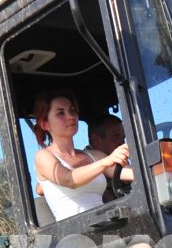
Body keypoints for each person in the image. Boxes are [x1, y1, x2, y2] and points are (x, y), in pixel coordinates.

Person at [32, 92, 129, 220]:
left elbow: (127, 173)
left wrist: (159, 162)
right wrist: (106, 162)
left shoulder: (94, 155)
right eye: (61, 113)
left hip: (105, 224)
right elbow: (69, 179)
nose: (71, 116)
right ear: (45, 124)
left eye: (72, 110)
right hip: (75, 235)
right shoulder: (43, 156)